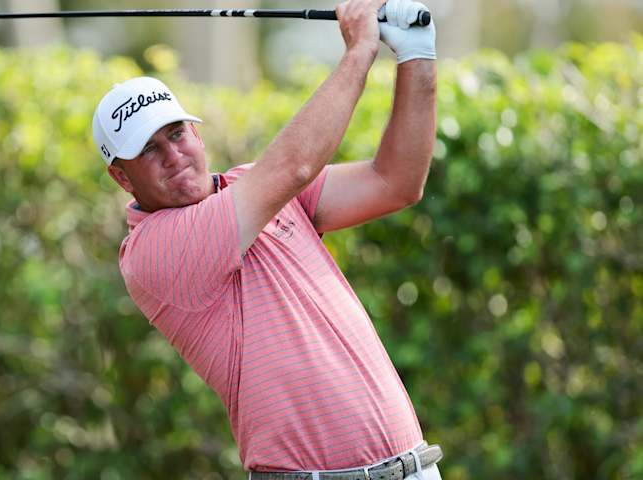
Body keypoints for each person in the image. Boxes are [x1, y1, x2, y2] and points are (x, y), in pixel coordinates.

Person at [91, 0, 440, 478]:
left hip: (414, 467)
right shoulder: (151, 253)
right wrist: (360, 50)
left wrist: (417, 55)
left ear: (196, 133)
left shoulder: (251, 187)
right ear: (122, 178)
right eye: (148, 149)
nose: (173, 156)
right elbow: (294, 166)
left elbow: (396, 181)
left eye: (176, 134)